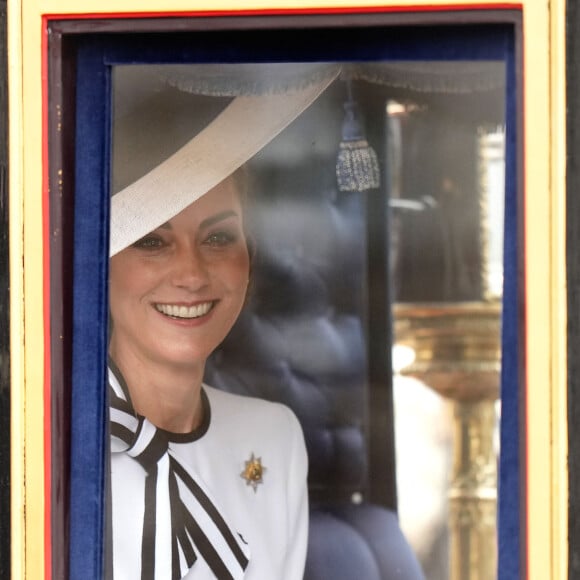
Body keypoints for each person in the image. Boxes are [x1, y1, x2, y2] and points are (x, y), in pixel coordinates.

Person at [106, 64, 339, 579]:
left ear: (249, 256)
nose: (191, 273)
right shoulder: (42, 447)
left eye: (217, 238)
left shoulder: (274, 437)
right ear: (99, 266)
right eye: (152, 240)